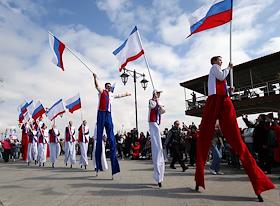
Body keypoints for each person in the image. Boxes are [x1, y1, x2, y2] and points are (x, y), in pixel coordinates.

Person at [194, 56, 275, 202]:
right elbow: (221, 75)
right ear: (214, 61)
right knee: (205, 134)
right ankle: (199, 177)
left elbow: (222, 84)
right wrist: (229, 68)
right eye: (219, 60)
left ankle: (258, 183)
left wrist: (229, 90)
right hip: (214, 100)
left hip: (224, 100)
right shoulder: (214, 68)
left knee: (236, 138)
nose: (221, 61)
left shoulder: (219, 72)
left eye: (221, 60)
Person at [92, 73, 130, 178]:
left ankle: (114, 168)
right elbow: (96, 86)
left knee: (112, 140)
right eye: (108, 86)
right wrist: (95, 78)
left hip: (108, 115)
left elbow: (119, 95)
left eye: (110, 86)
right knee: (99, 140)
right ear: (105, 87)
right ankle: (98, 166)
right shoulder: (101, 92)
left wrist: (126, 94)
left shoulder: (112, 95)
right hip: (101, 114)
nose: (109, 87)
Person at [148, 89, 165, 187]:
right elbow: (152, 106)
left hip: (157, 124)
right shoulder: (151, 101)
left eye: (159, 93)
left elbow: (163, 111)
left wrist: (159, 103)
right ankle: (158, 176)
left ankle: (159, 177)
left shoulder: (159, 102)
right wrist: (156, 100)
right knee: (157, 149)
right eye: (157, 93)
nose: (159, 95)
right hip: (152, 123)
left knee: (159, 150)